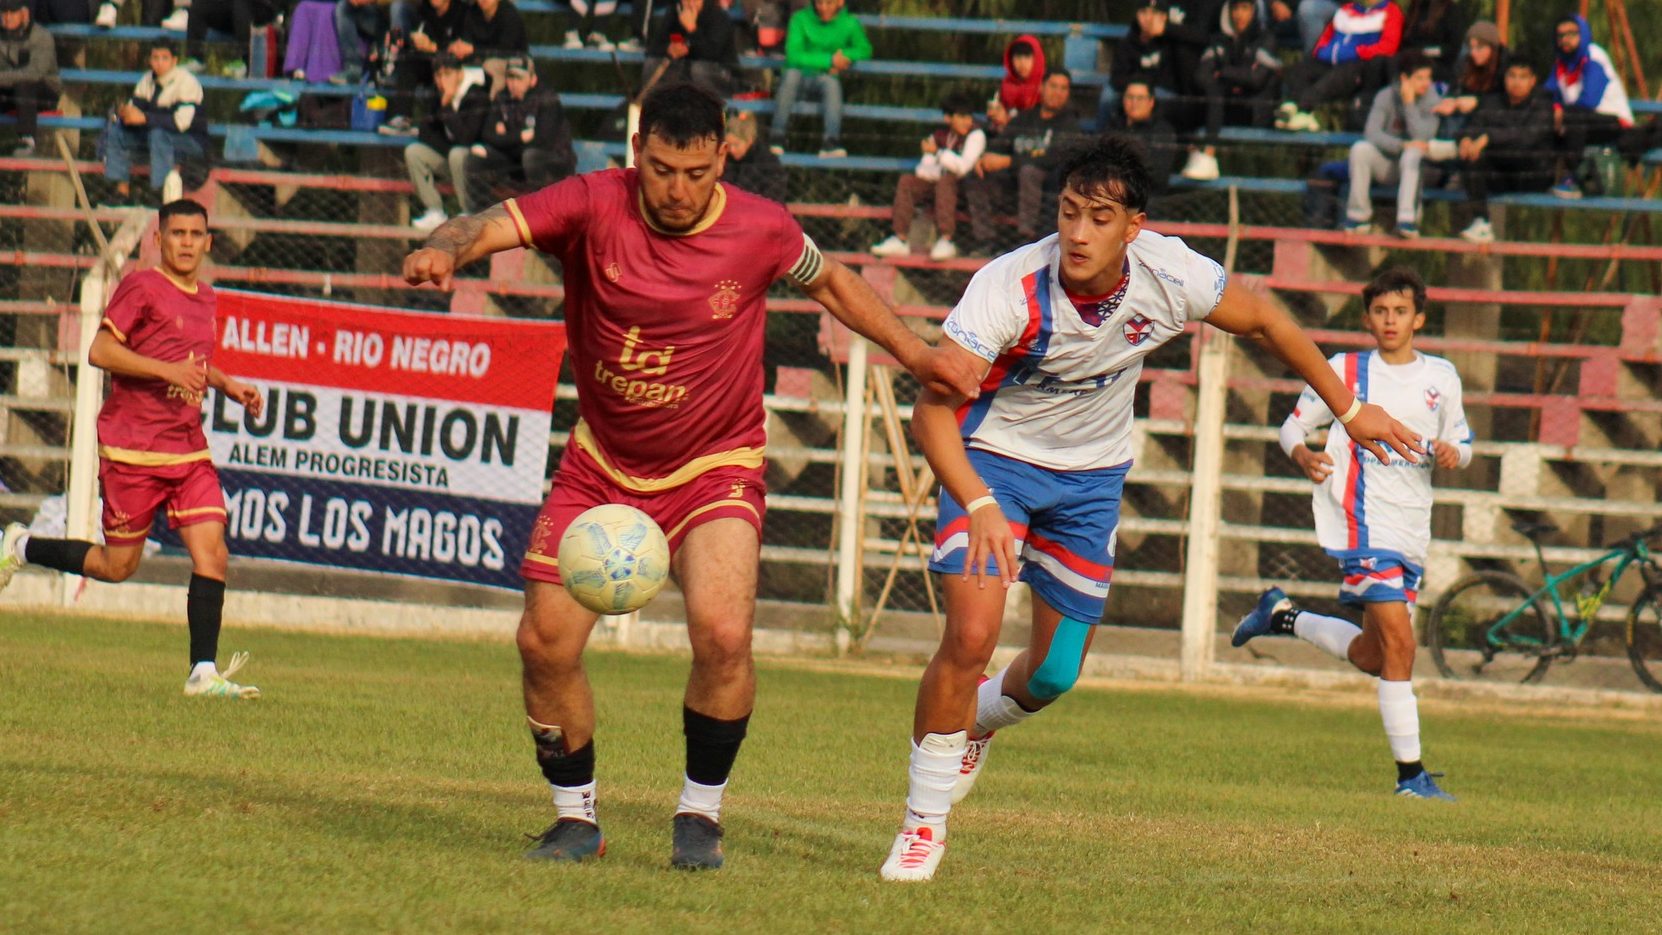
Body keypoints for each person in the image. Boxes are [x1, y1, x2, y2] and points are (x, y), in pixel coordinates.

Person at [400, 82, 981, 870]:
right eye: (663, 169)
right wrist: (448, 246)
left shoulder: (761, 227)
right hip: (602, 464)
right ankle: (577, 820)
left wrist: (916, 354)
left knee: (723, 631)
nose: (677, 190)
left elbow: (835, 281)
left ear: (724, 158)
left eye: (696, 172)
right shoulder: (591, 202)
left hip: (716, 464)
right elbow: (488, 222)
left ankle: (699, 814)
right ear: (636, 152)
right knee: (543, 641)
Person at [877, 136, 1424, 883]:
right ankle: (922, 822)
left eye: (1099, 218)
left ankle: (975, 724)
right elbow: (931, 414)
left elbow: (1265, 320)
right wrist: (975, 501)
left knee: (1055, 674)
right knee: (971, 636)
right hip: (992, 464)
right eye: (1069, 212)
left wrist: (1351, 407)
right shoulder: (1008, 287)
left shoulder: (1171, 273)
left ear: (1133, 226)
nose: (1077, 232)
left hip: (1092, 479)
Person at [0, 201, 266, 699]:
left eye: (196, 234)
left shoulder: (207, 297)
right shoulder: (141, 287)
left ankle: (202, 673)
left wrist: (228, 384)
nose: (187, 242)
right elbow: (100, 351)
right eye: (177, 233)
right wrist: (168, 373)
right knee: (116, 567)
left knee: (213, 554)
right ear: (158, 241)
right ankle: (18, 545)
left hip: (187, 451)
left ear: (209, 242)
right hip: (133, 452)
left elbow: (190, 361)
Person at [1233, 266, 1470, 803]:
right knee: (1403, 646)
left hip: (1412, 527)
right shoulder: (1345, 370)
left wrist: (1457, 453)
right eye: (1381, 311)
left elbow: (1461, 440)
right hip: (1361, 524)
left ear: (1419, 319)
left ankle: (1282, 615)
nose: (1390, 321)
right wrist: (1301, 453)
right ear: (1367, 319)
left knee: (1375, 655)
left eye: (1400, 311)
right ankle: (1411, 777)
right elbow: (1293, 426)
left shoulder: (1443, 378)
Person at [966, 67, 1080, 251]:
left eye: (1063, 88)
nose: (1057, 92)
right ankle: (985, 240)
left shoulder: (1069, 124)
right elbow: (1000, 145)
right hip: (1010, 184)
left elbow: (1053, 159)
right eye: (1053, 86)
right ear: (1042, 88)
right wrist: (985, 159)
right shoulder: (1025, 118)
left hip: (1045, 187)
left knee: (1029, 172)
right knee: (976, 176)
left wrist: (1009, 161)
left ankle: (1025, 238)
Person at [871, 92, 986, 262]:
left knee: (946, 181)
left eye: (969, 117)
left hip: (965, 189)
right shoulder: (938, 136)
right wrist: (944, 164)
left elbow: (962, 168)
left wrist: (939, 155)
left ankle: (946, 239)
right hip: (938, 184)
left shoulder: (976, 135)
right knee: (907, 181)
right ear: (948, 118)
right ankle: (900, 239)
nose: (967, 121)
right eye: (961, 117)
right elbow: (923, 170)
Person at [1343, 51, 1440, 238]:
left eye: (1428, 77)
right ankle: (1358, 216)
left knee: (1413, 153)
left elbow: (1422, 136)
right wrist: (1401, 145)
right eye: (1420, 78)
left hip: (1419, 169)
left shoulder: (1432, 99)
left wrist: (1409, 104)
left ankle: (1407, 219)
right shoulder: (1385, 96)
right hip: (1389, 164)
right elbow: (1371, 133)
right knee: (1360, 149)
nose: (1426, 83)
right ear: (1405, 78)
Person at [462, 56, 575, 214]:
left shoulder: (547, 99)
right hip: (515, 157)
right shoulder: (502, 98)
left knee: (531, 156)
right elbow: (487, 135)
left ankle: (540, 213)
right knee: (475, 158)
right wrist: (520, 137)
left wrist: (504, 138)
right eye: (510, 77)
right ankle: (479, 214)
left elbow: (542, 141)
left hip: (553, 160)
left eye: (519, 78)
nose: (513, 83)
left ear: (532, 79)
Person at [1456, 60, 1554, 243]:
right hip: (1500, 174)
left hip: (1531, 175)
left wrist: (1489, 138)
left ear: (1533, 80)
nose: (1516, 82)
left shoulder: (1543, 105)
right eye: (1512, 76)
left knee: (1507, 151)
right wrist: (1466, 140)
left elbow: (1526, 139)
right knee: (1471, 157)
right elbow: (1474, 125)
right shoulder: (1492, 102)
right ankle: (1482, 222)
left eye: (1523, 77)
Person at [100, 41, 208, 202]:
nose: (159, 62)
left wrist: (145, 118)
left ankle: (160, 193)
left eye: (165, 58)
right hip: (153, 140)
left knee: (159, 135)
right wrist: (125, 113)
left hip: (189, 142)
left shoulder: (187, 82)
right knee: (117, 131)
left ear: (174, 61)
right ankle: (121, 192)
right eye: (155, 57)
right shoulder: (146, 80)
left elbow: (181, 123)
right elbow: (134, 109)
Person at [1187, 0, 1281, 181]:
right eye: (1235, 8)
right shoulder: (1220, 40)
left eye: (1245, 8)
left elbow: (1256, 79)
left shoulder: (1266, 39)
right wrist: (1231, 78)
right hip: (1227, 105)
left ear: (1254, 11)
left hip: (1254, 112)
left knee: (1215, 94)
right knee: (1202, 96)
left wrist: (1223, 72)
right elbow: (1202, 74)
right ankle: (1202, 156)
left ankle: (1208, 153)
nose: (1239, 14)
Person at [1276, 0, 1402, 132]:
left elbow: (1388, 47)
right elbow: (1327, 35)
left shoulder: (1391, 11)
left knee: (1334, 79)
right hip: (1329, 60)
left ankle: (1301, 109)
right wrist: (1322, 51)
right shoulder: (1347, 9)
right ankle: (1300, 114)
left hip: (1358, 64)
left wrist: (1358, 52)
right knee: (1298, 71)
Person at [768, 0, 870, 159]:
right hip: (798, 78)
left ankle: (831, 141)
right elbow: (793, 55)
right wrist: (829, 60)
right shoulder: (799, 19)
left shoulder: (849, 22)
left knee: (831, 84)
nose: (823, 8)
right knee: (791, 76)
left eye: (828, 3)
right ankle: (776, 137)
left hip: (823, 79)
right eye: (819, 3)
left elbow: (864, 49)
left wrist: (845, 57)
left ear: (840, 2)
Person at [1546, 13, 1633, 199]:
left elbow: (1590, 100)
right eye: (1560, 35)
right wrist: (1555, 108)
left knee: (1574, 119)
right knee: (1544, 119)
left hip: (1614, 122)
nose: (1565, 39)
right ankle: (1540, 177)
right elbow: (1548, 94)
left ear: (1583, 34)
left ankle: (1575, 180)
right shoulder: (1561, 63)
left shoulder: (1594, 56)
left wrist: (1562, 114)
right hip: (1581, 123)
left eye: (1571, 33)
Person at [403, 52, 487, 231]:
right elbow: (425, 133)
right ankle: (435, 210)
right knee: (414, 151)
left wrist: (447, 108)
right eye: (438, 75)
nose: (442, 81)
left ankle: (468, 211)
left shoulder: (477, 96)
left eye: (447, 74)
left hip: (474, 165)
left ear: (459, 73)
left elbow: (467, 138)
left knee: (458, 153)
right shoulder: (436, 95)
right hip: (450, 159)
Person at [378, 0, 465, 135]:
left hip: (453, 68)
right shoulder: (425, 10)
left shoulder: (461, 12)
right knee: (409, 61)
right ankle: (400, 119)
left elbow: (460, 51)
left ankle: (431, 129)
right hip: (429, 63)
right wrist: (416, 41)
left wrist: (433, 47)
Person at [1101, 0, 1187, 133]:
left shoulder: (1172, 44)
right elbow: (1117, 77)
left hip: (1160, 90)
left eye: (1155, 13)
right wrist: (1135, 86)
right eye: (1144, 13)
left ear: (1164, 17)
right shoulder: (1127, 43)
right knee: (1108, 96)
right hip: (1131, 89)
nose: (1149, 18)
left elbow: (1172, 78)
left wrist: (1146, 87)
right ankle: (1099, 139)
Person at [0, 0, 59, 157]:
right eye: (4, 13)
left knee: (25, 84)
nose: (7, 17)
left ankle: (27, 139)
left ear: (24, 13)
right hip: (10, 90)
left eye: (12, 13)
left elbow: (35, 73)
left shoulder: (42, 36)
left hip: (44, 92)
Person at [1430, 20, 1505, 142]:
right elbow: (1454, 88)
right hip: (1461, 112)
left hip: (1489, 118)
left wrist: (1477, 102)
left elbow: (1503, 100)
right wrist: (1451, 100)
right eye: (1471, 47)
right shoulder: (1465, 63)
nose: (1473, 53)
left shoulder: (1503, 67)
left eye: (1479, 48)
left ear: (1492, 48)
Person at [642, 0, 737, 97]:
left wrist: (692, 29)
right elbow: (653, 48)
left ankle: (707, 106)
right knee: (652, 63)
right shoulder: (675, 12)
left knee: (699, 70)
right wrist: (669, 48)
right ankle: (658, 104)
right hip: (685, 70)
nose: (690, 3)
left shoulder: (718, 16)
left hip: (719, 72)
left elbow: (712, 54)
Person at [1104, 79, 1178, 199]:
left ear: (1151, 102)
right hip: (1111, 197)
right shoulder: (1113, 127)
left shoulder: (1163, 131)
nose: (1134, 102)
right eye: (1130, 97)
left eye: (1140, 98)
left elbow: (1159, 176)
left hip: (1147, 200)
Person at [181, 0, 277, 75]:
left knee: (240, 3)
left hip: (261, 7)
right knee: (199, 6)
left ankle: (242, 61)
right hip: (232, 11)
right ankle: (196, 59)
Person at [454, 0, 527, 93]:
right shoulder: (472, 12)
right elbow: (466, 41)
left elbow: (505, 50)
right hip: (477, 64)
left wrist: (473, 50)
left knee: (490, 68)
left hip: (510, 65)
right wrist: (459, 48)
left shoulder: (509, 15)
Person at [721, 110, 786, 203]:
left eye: (736, 145)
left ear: (750, 140)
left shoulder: (768, 163)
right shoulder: (723, 160)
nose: (732, 149)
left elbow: (774, 198)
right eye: (728, 145)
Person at [1397, 0, 1464, 85]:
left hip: (1437, 63)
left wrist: (1425, 52)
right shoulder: (1415, 7)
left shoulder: (1451, 10)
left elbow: (1452, 48)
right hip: (1410, 58)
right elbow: (1405, 40)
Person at [331, 0, 389, 84]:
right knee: (343, 7)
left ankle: (385, 69)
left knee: (398, 10)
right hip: (375, 12)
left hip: (394, 16)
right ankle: (354, 69)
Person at [997, 35, 1043, 114]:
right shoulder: (1006, 86)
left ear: (1037, 59)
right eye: (1017, 57)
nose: (1022, 63)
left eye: (1027, 57)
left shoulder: (1047, 86)